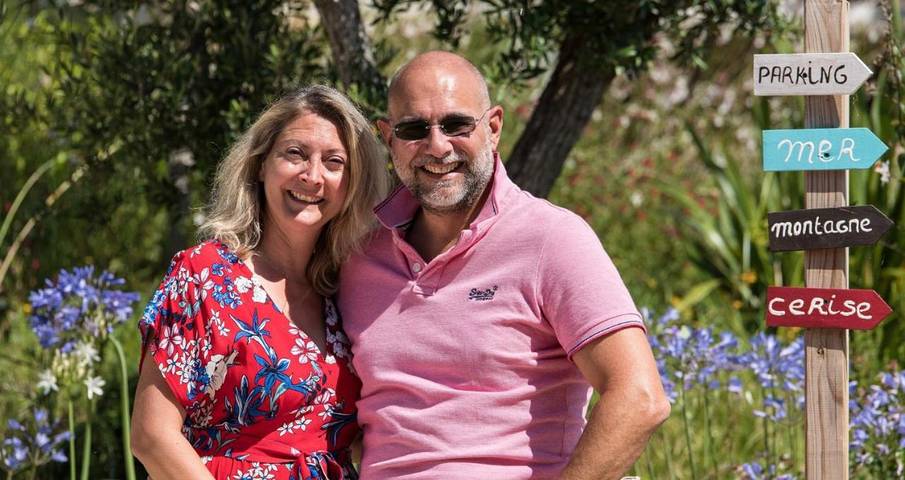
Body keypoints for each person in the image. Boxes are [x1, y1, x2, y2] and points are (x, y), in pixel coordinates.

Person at [337, 51, 671, 479]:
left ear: (493, 128)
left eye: (456, 125)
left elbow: (640, 397)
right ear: (389, 138)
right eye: (414, 129)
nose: (437, 146)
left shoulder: (551, 239)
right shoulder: (359, 255)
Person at [130, 85, 388, 479]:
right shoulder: (206, 277)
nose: (312, 176)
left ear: (351, 184)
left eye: (334, 161)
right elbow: (151, 435)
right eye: (295, 154)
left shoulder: (344, 291)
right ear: (261, 164)